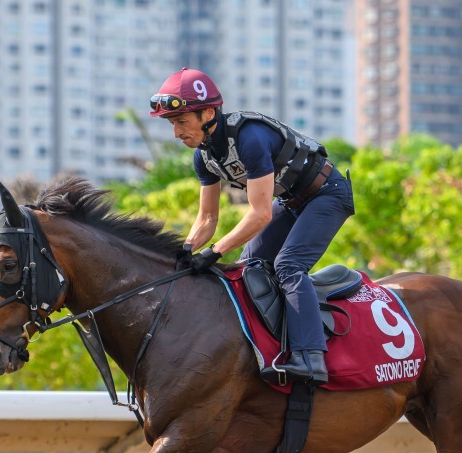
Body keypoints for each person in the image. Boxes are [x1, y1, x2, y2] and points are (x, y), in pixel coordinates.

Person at [149, 67, 354, 385]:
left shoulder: (249, 138)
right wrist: (186, 251)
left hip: (327, 195)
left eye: (181, 122)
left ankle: (311, 357)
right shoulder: (204, 156)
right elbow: (207, 219)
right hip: (292, 201)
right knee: (249, 266)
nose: (176, 133)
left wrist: (214, 252)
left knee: (288, 265)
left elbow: (260, 215)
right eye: (172, 124)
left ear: (207, 112)